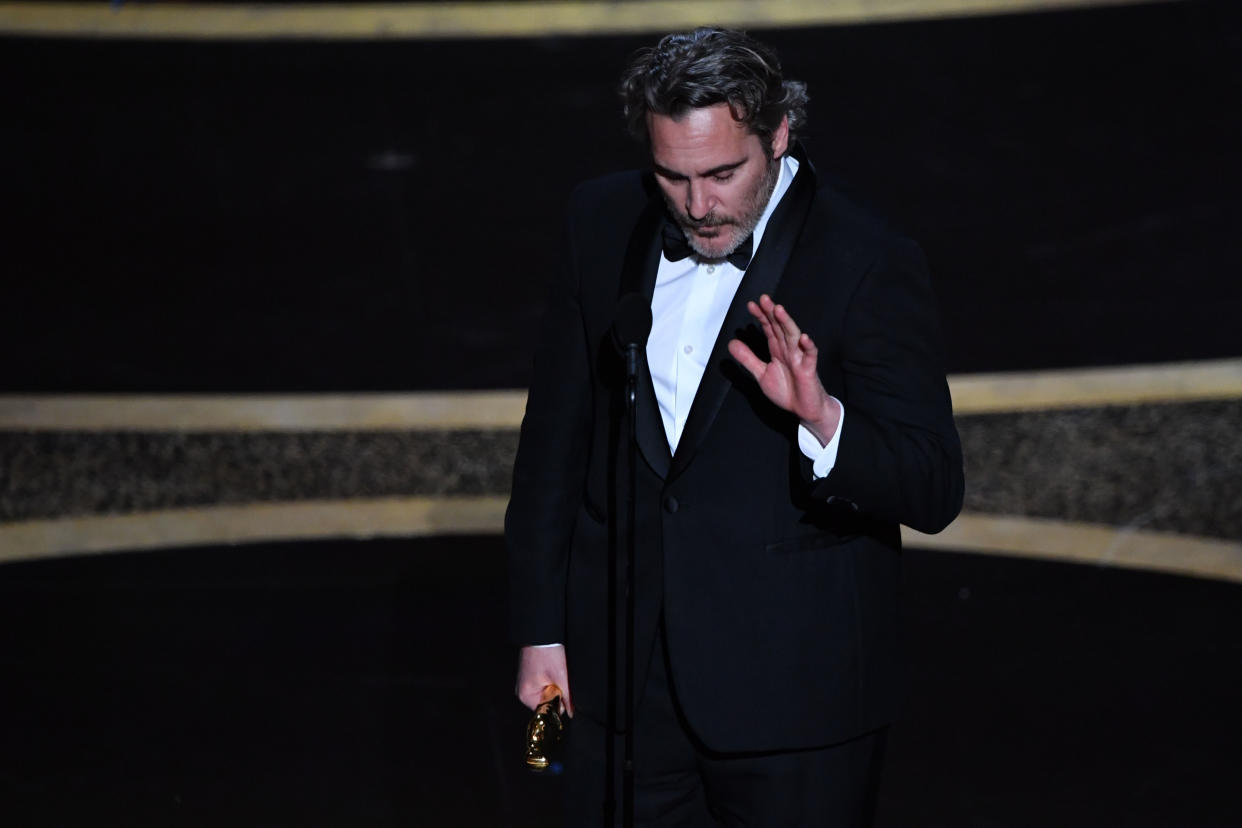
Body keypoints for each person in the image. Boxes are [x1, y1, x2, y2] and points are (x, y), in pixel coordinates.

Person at [507, 27, 964, 826]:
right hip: (622, 685)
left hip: (796, 703)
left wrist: (823, 418)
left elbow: (931, 484)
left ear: (779, 134)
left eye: (723, 173)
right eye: (673, 176)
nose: (698, 205)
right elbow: (553, 447)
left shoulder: (866, 258)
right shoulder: (600, 221)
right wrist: (541, 631)